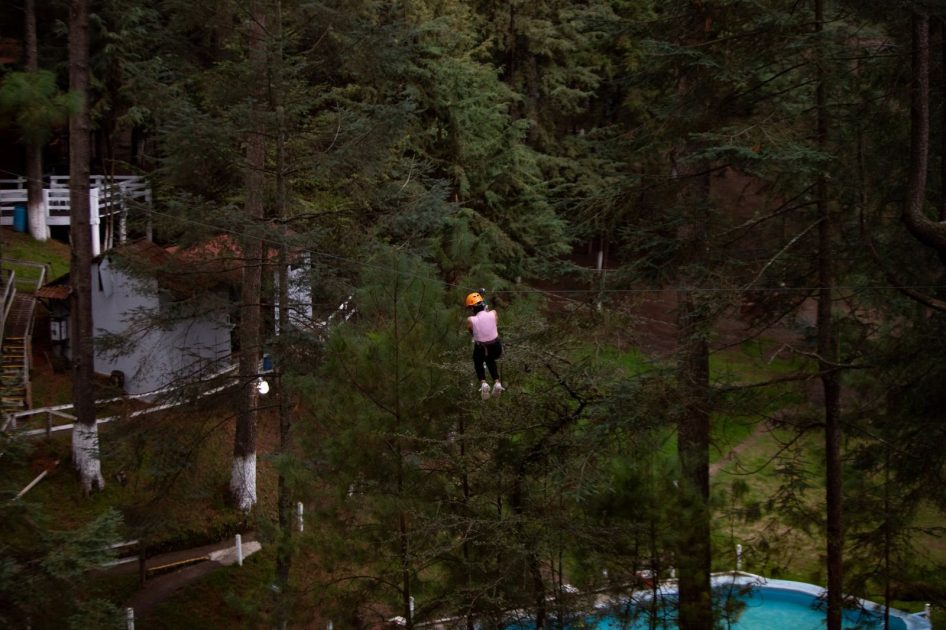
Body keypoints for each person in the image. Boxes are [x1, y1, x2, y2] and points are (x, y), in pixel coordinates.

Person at [465, 292, 504, 400]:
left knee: (477, 360)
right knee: (490, 360)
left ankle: (483, 383)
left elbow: (471, 331)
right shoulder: (494, 313)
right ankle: (497, 382)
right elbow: (495, 324)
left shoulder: (470, 320)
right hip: (496, 347)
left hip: (481, 348)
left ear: (472, 308)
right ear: (483, 305)